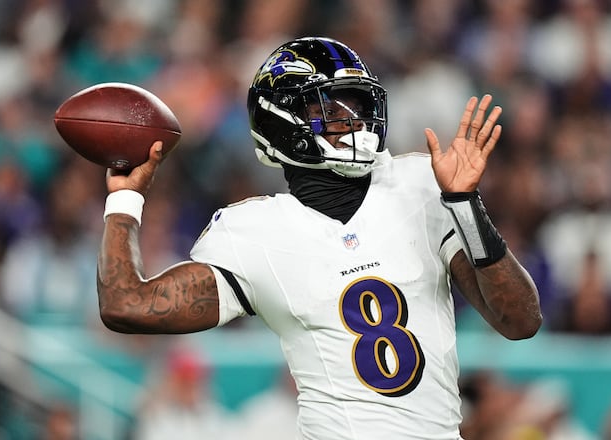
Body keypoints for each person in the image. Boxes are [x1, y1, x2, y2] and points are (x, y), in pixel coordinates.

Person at [95, 36, 542, 439]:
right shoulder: (253, 232)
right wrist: (125, 199)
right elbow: (126, 305)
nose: (354, 119)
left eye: (357, 105)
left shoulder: (421, 184)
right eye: (331, 107)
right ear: (281, 119)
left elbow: (520, 321)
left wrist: (466, 204)